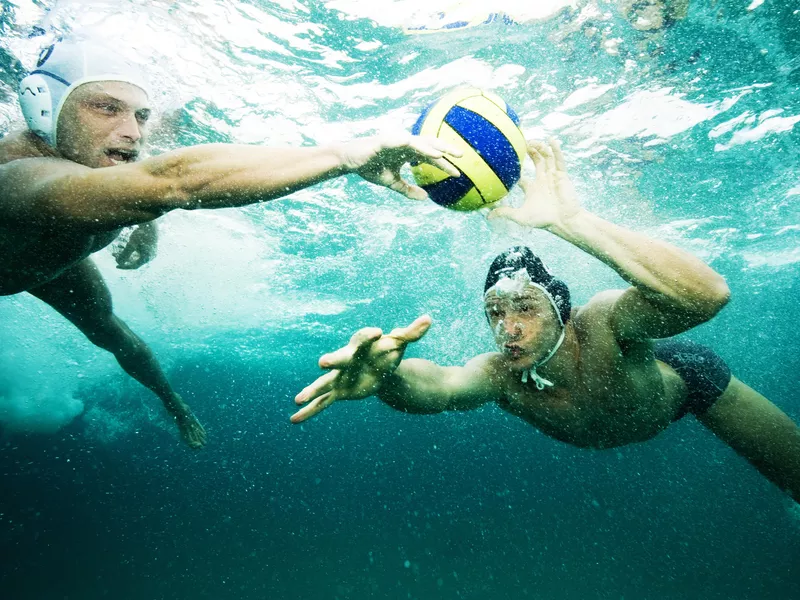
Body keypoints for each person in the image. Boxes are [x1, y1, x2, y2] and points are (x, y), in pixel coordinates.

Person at [0, 39, 461, 449]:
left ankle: (175, 404)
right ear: (46, 108)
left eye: (140, 116)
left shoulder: (99, 152)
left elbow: (143, 178)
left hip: (47, 266)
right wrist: (341, 155)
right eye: (105, 108)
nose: (133, 132)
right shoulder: (18, 179)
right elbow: (172, 183)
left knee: (114, 333)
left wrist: (145, 224)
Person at [292, 138, 800, 504]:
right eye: (495, 313)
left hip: (690, 380)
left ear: (561, 309)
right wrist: (388, 378)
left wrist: (572, 222)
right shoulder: (500, 373)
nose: (507, 328)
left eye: (525, 308)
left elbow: (706, 297)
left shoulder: (601, 322)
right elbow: (443, 387)